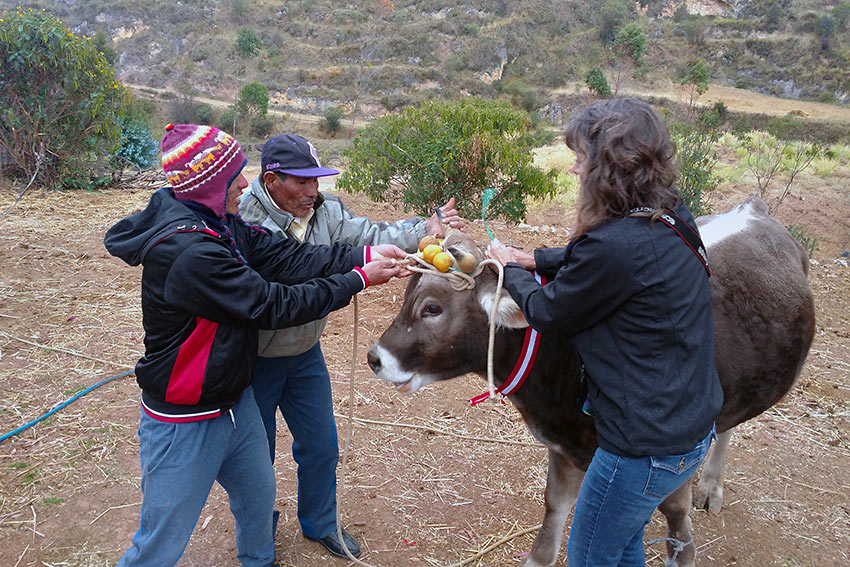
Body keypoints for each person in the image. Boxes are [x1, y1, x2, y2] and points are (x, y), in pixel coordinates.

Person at [104, 124, 408, 567]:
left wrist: (362, 256)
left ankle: (260, 561)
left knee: (257, 494)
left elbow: (286, 256)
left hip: (234, 402)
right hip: (186, 418)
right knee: (159, 541)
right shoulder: (192, 252)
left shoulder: (223, 226)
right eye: (234, 176)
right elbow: (270, 304)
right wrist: (358, 281)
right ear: (208, 185)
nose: (244, 183)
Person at [486, 97, 723, 567]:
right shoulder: (670, 213)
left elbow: (547, 312)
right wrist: (540, 259)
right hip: (689, 431)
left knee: (590, 555)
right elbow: (608, 259)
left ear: (606, 167)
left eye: (581, 158)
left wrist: (510, 268)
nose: (574, 170)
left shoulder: (613, 246)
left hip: (641, 449)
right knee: (623, 542)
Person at [238, 133, 464, 558]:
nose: (313, 191)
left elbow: (372, 232)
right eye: (302, 182)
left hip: (304, 353)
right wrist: (358, 273)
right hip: (254, 361)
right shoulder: (246, 223)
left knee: (322, 446)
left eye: (317, 180)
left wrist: (425, 230)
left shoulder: (324, 210)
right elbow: (284, 286)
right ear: (271, 180)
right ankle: (257, 543)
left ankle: (321, 524)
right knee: (254, 462)